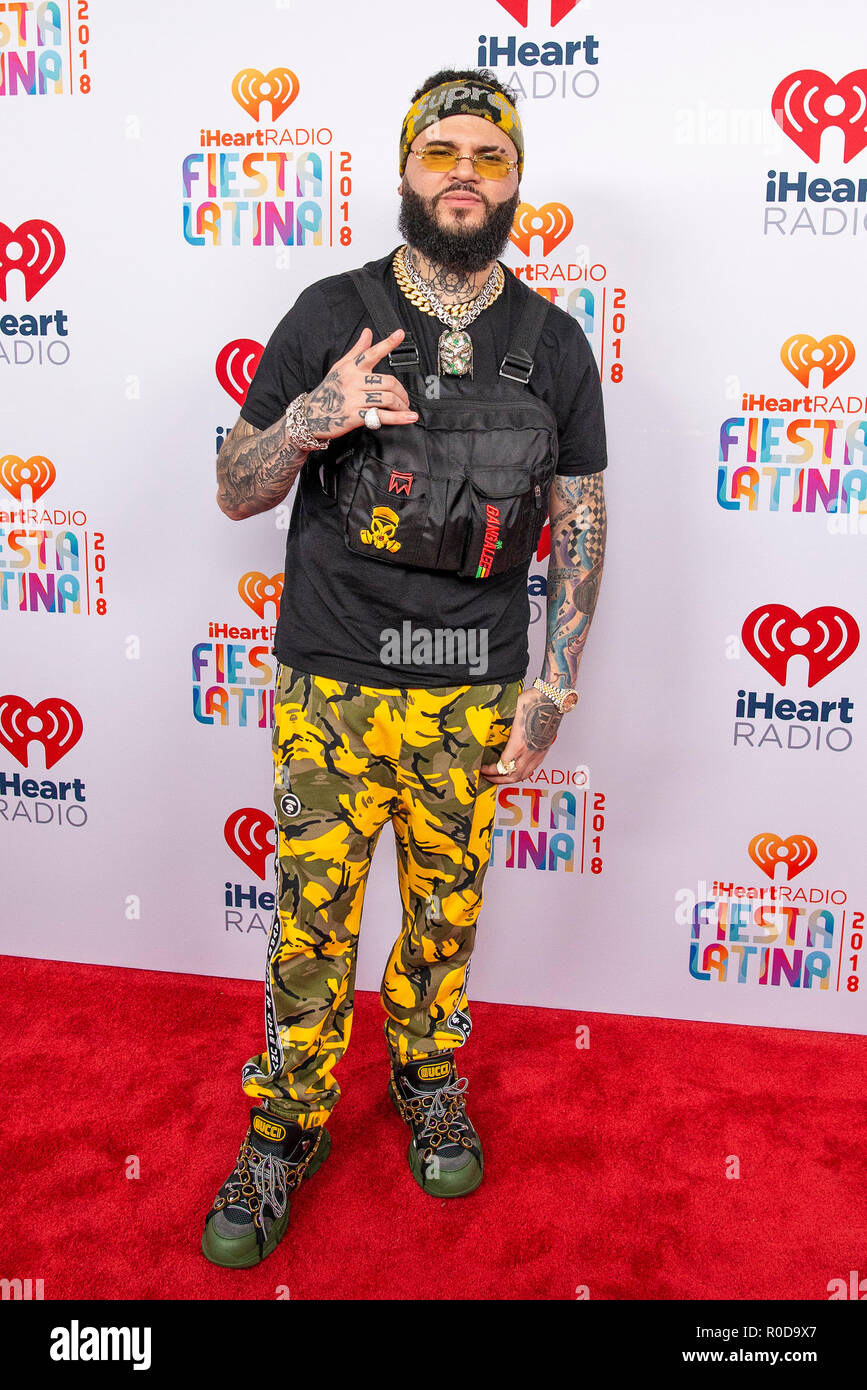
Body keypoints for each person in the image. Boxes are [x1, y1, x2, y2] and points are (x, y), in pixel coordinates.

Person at [203, 67, 607, 1269]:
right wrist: (315, 416)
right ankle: (286, 1125)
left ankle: (428, 1078)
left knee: (444, 919)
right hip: (332, 685)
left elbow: (580, 517)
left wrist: (556, 677)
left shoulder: (556, 344)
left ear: (518, 176)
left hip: (471, 692)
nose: (466, 174)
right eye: (444, 154)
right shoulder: (332, 311)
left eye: (489, 154)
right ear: (406, 171)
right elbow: (233, 487)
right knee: (311, 927)